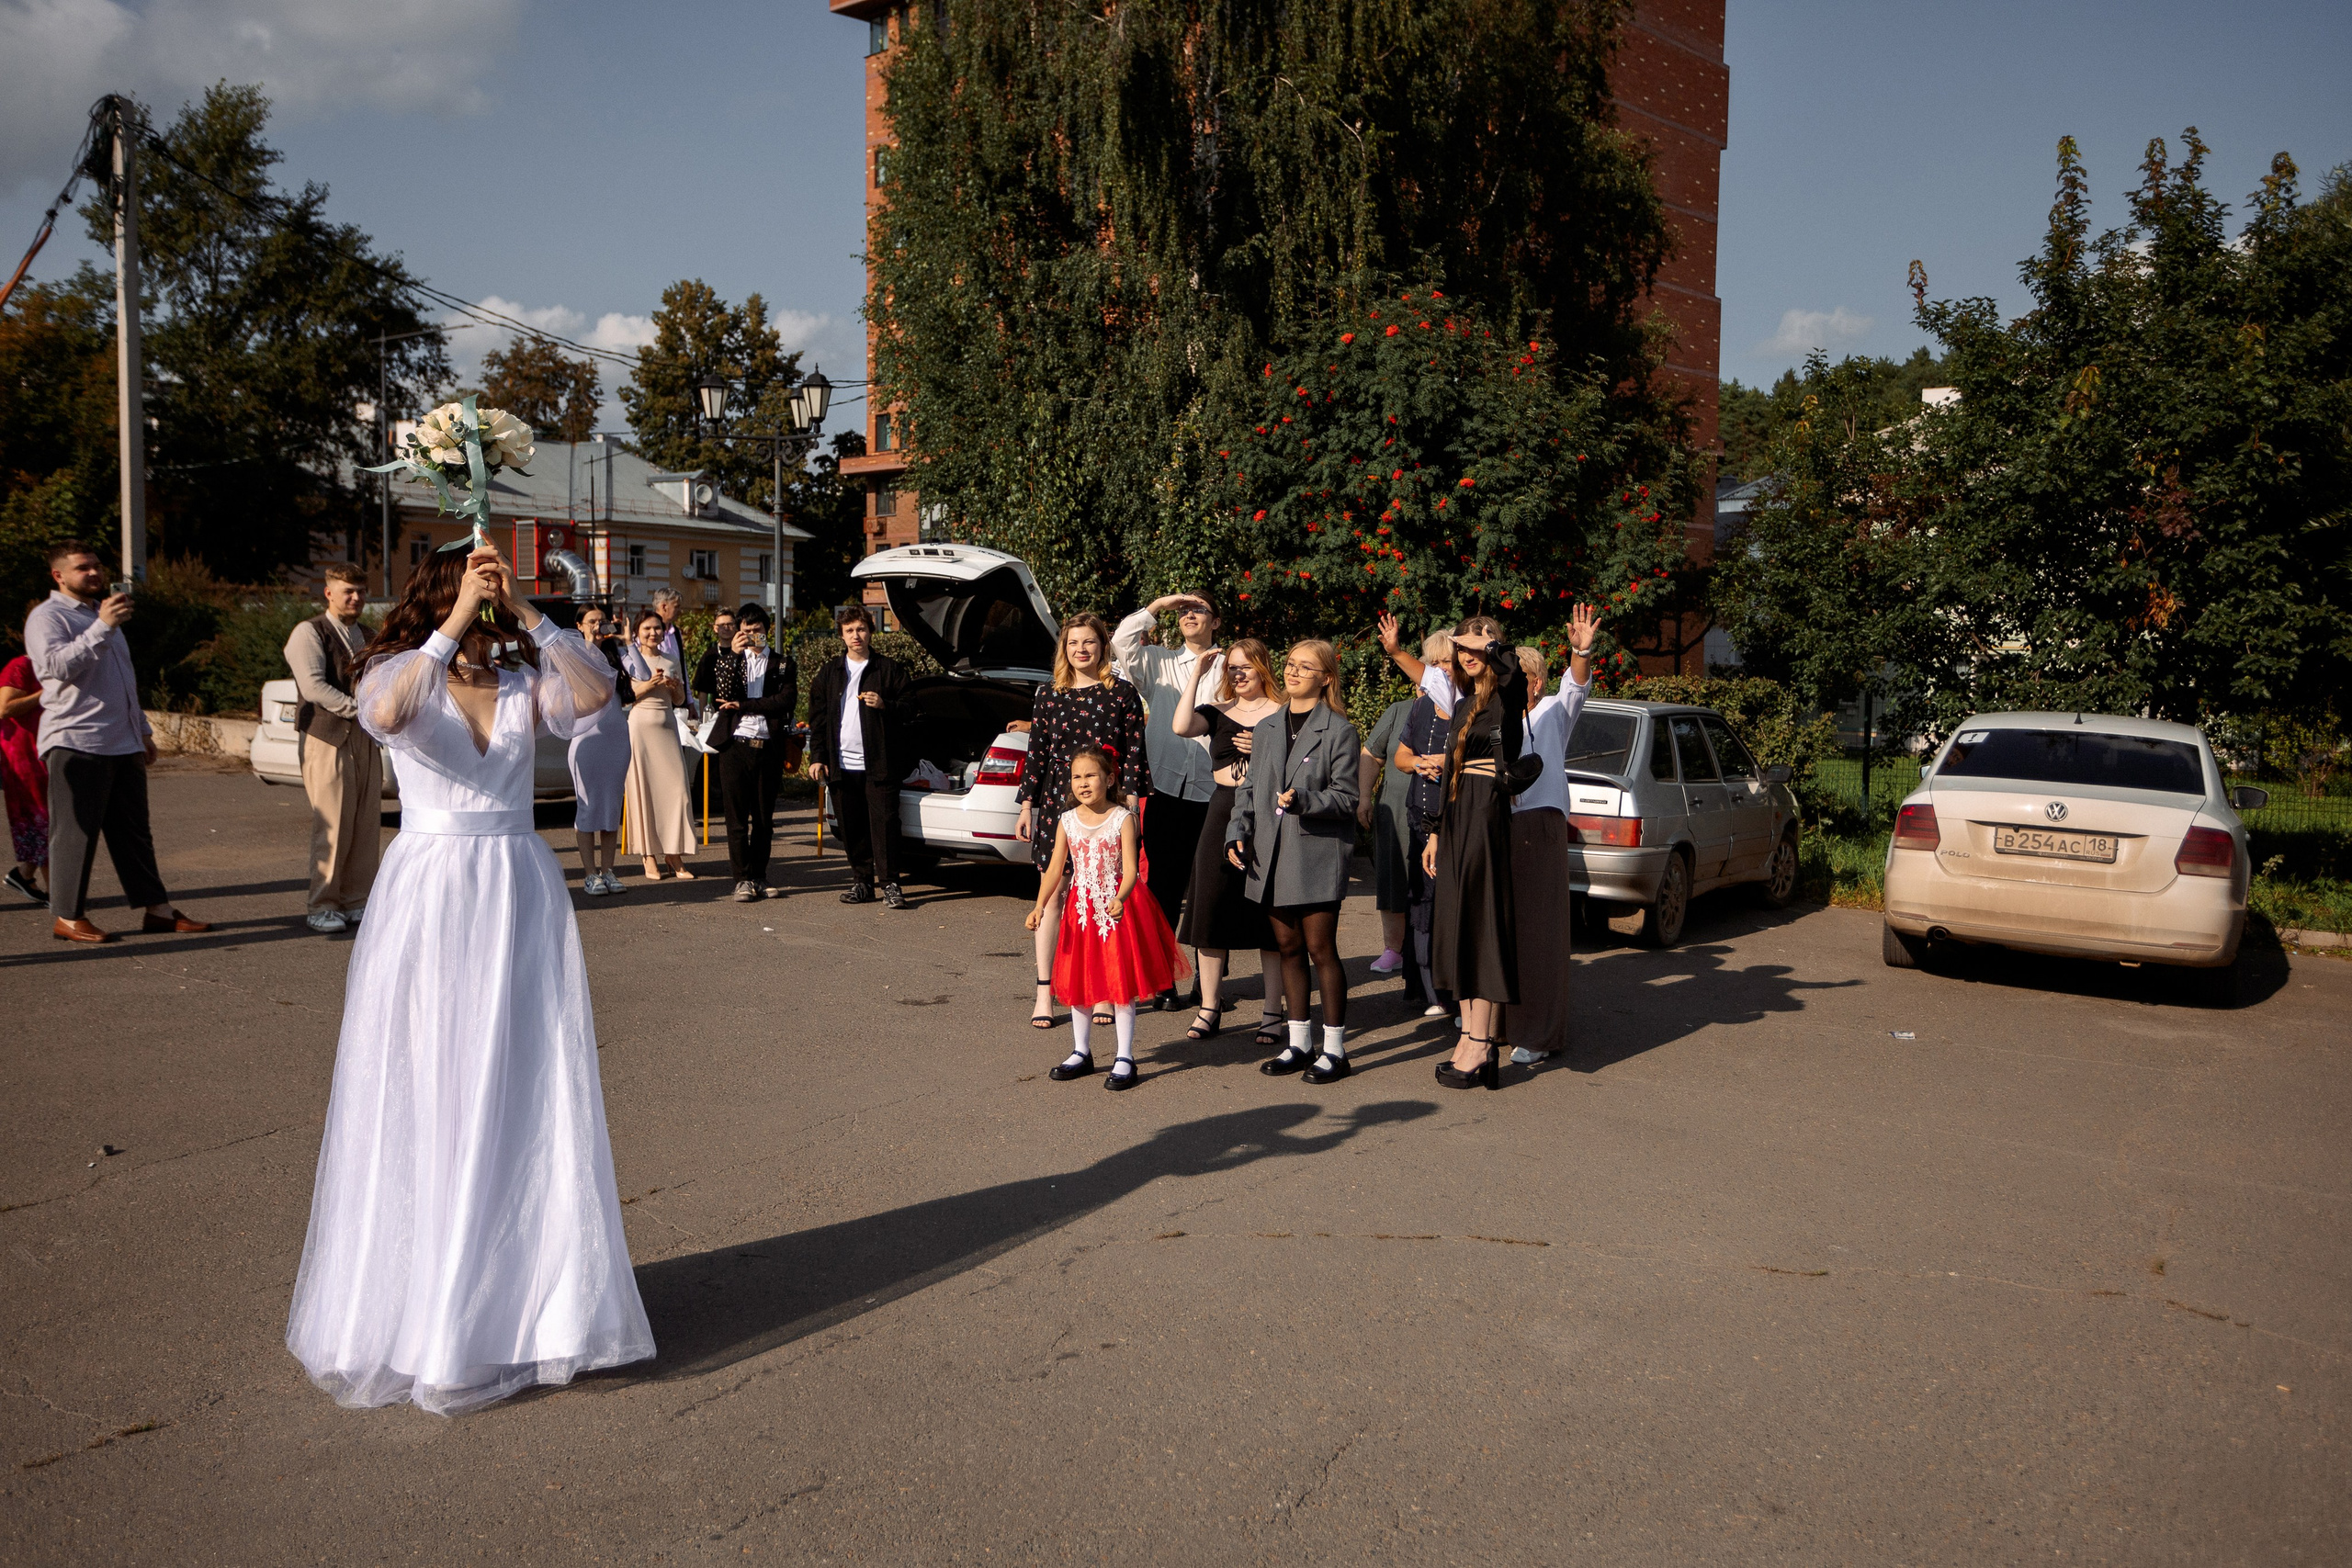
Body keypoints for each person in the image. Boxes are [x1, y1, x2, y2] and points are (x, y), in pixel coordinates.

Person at [286, 542, 653, 1414]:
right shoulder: (395, 670)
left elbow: (596, 696)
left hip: (518, 885)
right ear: (441, 596)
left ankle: (520, 1302)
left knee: (520, 1085)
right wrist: (452, 624)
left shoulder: (527, 679)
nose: (487, 603)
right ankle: (424, 1309)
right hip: (432, 889)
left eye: (493, 593)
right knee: (431, 1083)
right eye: (474, 589)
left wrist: (530, 613)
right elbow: (384, 716)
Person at [26, 542, 208, 944]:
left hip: (121, 740)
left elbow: (123, 679)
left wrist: (141, 730)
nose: (93, 573)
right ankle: (68, 916)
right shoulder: (48, 617)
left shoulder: (102, 614)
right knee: (75, 833)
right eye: (82, 568)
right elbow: (56, 668)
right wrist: (103, 627)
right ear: (59, 576)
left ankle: (157, 911)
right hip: (76, 739)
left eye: (96, 565)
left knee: (134, 833)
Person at [1225, 638, 1361, 1084]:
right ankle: (1299, 1044)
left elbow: (1348, 798)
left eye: (1306, 667)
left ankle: (1335, 1050)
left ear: (1326, 678)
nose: (1294, 672)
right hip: (1270, 853)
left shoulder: (1339, 730)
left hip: (1316, 853)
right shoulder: (1267, 727)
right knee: (1287, 948)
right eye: (1290, 664)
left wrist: (1306, 800)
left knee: (1321, 950)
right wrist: (1236, 831)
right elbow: (1249, 789)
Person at [1422, 616, 1540, 1090]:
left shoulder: (1506, 696)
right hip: (1457, 815)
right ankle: (1471, 1037)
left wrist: (1490, 643)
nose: (1467, 655)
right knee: (1461, 925)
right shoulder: (1464, 702)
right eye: (1461, 648)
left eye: (1475, 648)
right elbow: (1450, 770)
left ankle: (1482, 1041)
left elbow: (1510, 668)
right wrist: (1435, 832)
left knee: (1482, 924)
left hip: (1486, 814)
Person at [1015, 613, 1147, 1027]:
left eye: (1089, 641)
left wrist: (1132, 806)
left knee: (1102, 893)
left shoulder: (1121, 693)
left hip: (1108, 804)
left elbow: (1134, 754)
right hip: (1058, 797)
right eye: (1073, 643)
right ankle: (1045, 991)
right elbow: (1036, 751)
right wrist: (1026, 805)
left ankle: (1104, 989)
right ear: (1064, 648)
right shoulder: (1048, 694)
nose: (1081, 649)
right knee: (1054, 892)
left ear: (1102, 646)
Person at [1029, 748, 1188, 1090]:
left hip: (1116, 911)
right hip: (1080, 912)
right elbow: (1055, 868)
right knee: (1079, 979)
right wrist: (1040, 906)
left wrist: (1121, 897)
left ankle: (1124, 1056)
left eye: (1090, 775)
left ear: (1110, 778)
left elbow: (1131, 870)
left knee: (1120, 983)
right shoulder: (1067, 820)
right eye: (1076, 777)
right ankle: (1081, 1051)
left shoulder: (1122, 818)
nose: (1083, 783)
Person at [1167, 637, 1286, 1046]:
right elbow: (1180, 726)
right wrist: (1197, 673)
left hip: (1268, 812)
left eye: (1245, 667)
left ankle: (1273, 1010)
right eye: (1231, 667)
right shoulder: (1216, 712)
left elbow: (1301, 764)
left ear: (1262, 668)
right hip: (1222, 809)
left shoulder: (1284, 712)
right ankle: (1209, 1006)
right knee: (1209, 907)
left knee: (1270, 913)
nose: (1237, 674)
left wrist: (1267, 747)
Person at [1113, 592, 1221, 1010]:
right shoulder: (1158, 661)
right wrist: (1160, 604)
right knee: (1164, 889)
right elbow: (1121, 642)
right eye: (1184, 611)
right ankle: (1162, 979)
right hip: (1166, 791)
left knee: (1211, 890)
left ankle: (1210, 987)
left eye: (1199, 609)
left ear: (1216, 622)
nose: (1189, 615)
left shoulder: (1230, 664)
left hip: (1216, 792)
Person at [1505, 608, 1596, 1065]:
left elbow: (1575, 686)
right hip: (1501, 826)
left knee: (1540, 933)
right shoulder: (1497, 718)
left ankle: (1538, 1034)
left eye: (1515, 679)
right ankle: (1500, 1025)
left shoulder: (1552, 712)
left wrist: (1581, 651)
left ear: (1537, 682)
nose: (1506, 686)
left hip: (1540, 825)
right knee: (1505, 931)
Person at [283, 563, 381, 934]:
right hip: (327, 738)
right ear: (329, 593)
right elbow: (313, 688)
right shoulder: (309, 632)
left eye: (361, 591)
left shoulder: (369, 634)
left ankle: (356, 901)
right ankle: (322, 905)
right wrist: (361, 711)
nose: (356, 598)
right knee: (333, 826)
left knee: (365, 825)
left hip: (365, 738)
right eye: (348, 591)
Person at [806, 603, 914, 908]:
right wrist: (817, 756)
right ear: (841, 635)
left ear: (870, 632)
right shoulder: (830, 672)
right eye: (850, 630)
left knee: (885, 826)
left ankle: (891, 884)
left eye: (862, 629)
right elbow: (818, 719)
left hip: (879, 764)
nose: (856, 635)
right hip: (840, 765)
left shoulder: (888, 669)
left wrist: (885, 705)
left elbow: (911, 708)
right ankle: (862, 882)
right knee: (851, 827)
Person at [710, 602, 798, 901]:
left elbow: (785, 701)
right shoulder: (730, 661)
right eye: (745, 630)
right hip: (735, 745)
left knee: (763, 819)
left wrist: (745, 705)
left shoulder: (782, 664)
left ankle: (759, 876)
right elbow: (722, 696)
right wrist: (734, 656)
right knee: (736, 819)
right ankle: (742, 879)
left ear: (766, 630)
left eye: (756, 630)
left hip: (768, 745)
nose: (751, 635)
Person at [1392, 674, 1456, 1019]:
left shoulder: (1467, 708)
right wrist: (1418, 762)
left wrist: (1449, 761)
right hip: (1419, 816)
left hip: (1455, 818)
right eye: (1435, 665)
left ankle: (1455, 993)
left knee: (1450, 904)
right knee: (1422, 902)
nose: (1440, 672)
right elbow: (1400, 757)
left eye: (1446, 663)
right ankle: (1431, 992)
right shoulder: (1420, 706)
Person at [619, 608, 696, 880]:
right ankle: (648, 854)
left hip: (667, 728)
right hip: (640, 728)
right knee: (644, 793)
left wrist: (674, 687)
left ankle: (673, 853)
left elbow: (678, 700)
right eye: (647, 629)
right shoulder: (629, 658)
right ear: (637, 633)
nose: (653, 633)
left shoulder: (671, 659)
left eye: (657, 628)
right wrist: (651, 684)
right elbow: (627, 697)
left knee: (678, 791)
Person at [567, 604, 634, 896]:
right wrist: (591, 645)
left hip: (617, 738)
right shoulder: (573, 654)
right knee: (588, 807)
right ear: (579, 625)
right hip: (587, 739)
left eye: (602, 621)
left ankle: (608, 870)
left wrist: (627, 642)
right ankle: (589, 874)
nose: (598, 626)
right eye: (592, 621)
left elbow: (642, 673)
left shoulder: (615, 654)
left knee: (611, 808)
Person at [1360, 694, 1418, 980]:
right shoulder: (1399, 710)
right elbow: (1371, 754)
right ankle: (1394, 948)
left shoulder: (1459, 707)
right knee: (1392, 877)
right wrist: (1363, 798)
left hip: (1438, 810)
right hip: (1393, 807)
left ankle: (1427, 950)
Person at [0, 645, 46, 903]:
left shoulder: (55, 668)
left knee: (45, 820)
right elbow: (4, 708)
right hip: (24, 758)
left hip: (45, 753)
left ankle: (24, 874)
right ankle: (59, 897)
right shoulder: (20, 666)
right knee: (45, 819)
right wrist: (44, 694)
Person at [691, 607, 738, 712]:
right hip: (715, 712)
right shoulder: (709, 656)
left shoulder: (744, 652)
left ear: (735, 626)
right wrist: (703, 716)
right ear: (715, 628)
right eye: (722, 625)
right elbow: (703, 690)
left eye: (730, 624)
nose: (726, 628)